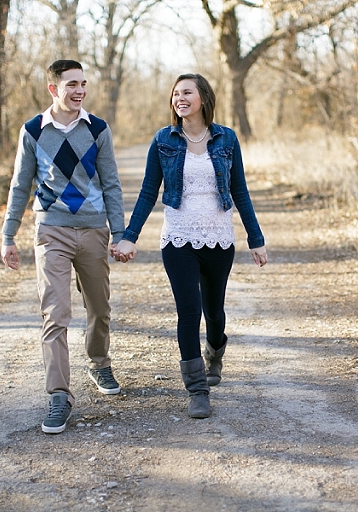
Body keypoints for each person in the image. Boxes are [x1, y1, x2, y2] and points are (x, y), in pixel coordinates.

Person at [113, 73, 267, 419]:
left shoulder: (226, 138)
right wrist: (129, 235)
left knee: (214, 312)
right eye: (175, 94)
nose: (179, 98)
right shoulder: (164, 140)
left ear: (203, 98)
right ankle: (197, 390)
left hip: (219, 238)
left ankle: (215, 350)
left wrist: (255, 239)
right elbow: (148, 191)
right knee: (189, 312)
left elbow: (240, 191)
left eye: (186, 92)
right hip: (178, 238)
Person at [1, 59, 125, 434]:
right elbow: (20, 185)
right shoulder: (34, 131)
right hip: (51, 230)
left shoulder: (98, 129)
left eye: (83, 84)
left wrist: (119, 233)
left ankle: (99, 362)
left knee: (99, 308)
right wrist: (8, 235)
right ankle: (59, 395)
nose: (80, 91)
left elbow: (112, 183)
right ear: (54, 89)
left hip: (92, 231)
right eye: (72, 84)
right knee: (54, 313)